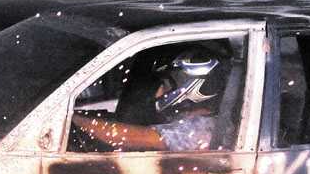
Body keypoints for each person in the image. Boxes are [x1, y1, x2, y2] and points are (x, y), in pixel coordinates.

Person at [71, 45, 231, 152]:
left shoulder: (202, 128)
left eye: (165, 85)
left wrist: (75, 120)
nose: (157, 92)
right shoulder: (200, 121)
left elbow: (127, 137)